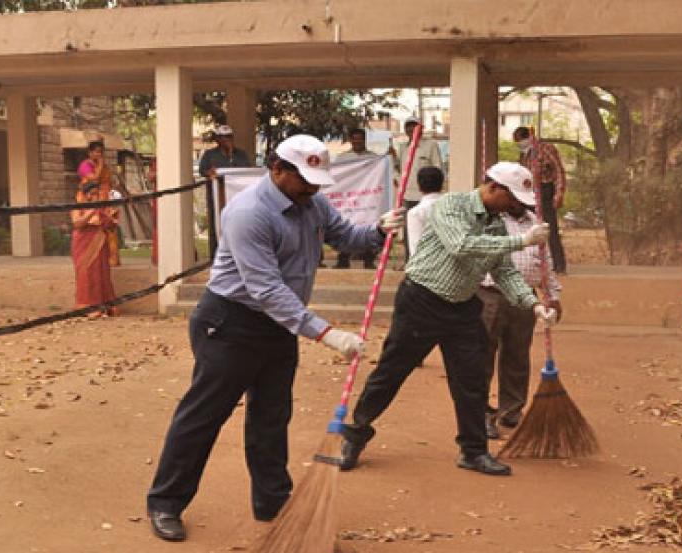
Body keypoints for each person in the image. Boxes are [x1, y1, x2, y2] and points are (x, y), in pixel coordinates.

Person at [145, 135, 406, 542]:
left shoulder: (312, 202)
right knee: (204, 415)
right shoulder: (248, 213)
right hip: (230, 324)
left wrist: (377, 229)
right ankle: (165, 503)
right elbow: (265, 289)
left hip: (277, 327)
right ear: (277, 169)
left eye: (317, 181)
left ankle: (272, 501)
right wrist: (325, 332)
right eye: (305, 181)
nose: (313, 189)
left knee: (271, 416)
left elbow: (346, 238)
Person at [340, 162, 557, 477]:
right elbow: (462, 246)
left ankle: (473, 450)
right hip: (422, 301)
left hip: (463, 306)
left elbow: (503, 270)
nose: (515, 207)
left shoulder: (496, 224)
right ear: (493, 187)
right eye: (512, 199)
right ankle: (356, 432)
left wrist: (533, 304)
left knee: (471, 380)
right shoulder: (451, 206)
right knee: (391, 371)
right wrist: (522, 240)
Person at [480, 203, 563, 439]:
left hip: (526, 298)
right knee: (483, 355)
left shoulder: (538, 223)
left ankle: (511, 410)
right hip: (490, 295)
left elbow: (546, 263)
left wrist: (553, 297)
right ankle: (481, 414)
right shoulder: (490, 219)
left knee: (517, 355)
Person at [514, 126, 568, 274]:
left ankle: (559, 265)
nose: (520, 145)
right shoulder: (523, 156)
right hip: (529, 193)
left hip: (545, 190)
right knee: (529, 228)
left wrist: (559, 193)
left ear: (529, 138)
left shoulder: (546, 149)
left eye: (522, 141)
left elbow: (558, 171)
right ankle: (534, 263)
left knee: (550, 229)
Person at [389, 117, 443, 261]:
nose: (411, 130)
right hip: (408, 195)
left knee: (430, 229)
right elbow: (396, 169)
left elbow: (438, 168)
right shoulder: (402, 148)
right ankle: (410, 261)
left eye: (414, 126)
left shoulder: (431, 145)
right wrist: (399, 179)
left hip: (428, 196)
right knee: (410, 230)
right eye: (408, 127)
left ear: (421, 128)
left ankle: (431, 260)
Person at [70, 182, 118, 318]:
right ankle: (86, 307)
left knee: (100, 274)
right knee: (85, 275)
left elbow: (111, 226)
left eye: (97, 193)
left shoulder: (101, 209)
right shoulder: (77, 208)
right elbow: (77, 223)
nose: (96, 196)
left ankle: (103, 307)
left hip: (99, 244)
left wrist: (111, 218)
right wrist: (91, 211)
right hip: (82, 244)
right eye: (93, 194)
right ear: (86, 195)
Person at [334, 128, 380, 269]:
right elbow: (336, 176)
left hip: (367, 200)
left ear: (365, 140)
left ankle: (369, 259)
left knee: (368, 227)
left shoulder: (374, 158)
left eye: (360, 138)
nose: (357, 141)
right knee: (345, 228)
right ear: (351, 140)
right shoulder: (342, 158)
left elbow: (380, 175)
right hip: (349, 201)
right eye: (355, 138)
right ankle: (343, 259)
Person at [77, 141, 121, 267]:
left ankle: (111, 259)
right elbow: (94, 179)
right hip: (91, 199)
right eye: (96, 151)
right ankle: (94, 258)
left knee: (109, 225)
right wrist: (100, 165)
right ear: (89, 153)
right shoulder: (85, 165)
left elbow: (109, 181)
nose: (99, 154)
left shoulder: (104, 165)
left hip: (106, 199)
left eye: (101, 152)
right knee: (96, 226)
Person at [404, 166, 445, 258]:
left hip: (427, 266)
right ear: (442, 185)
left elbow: (416, 248)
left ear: (419, 186)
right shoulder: (452, 207)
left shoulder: (416, 213)